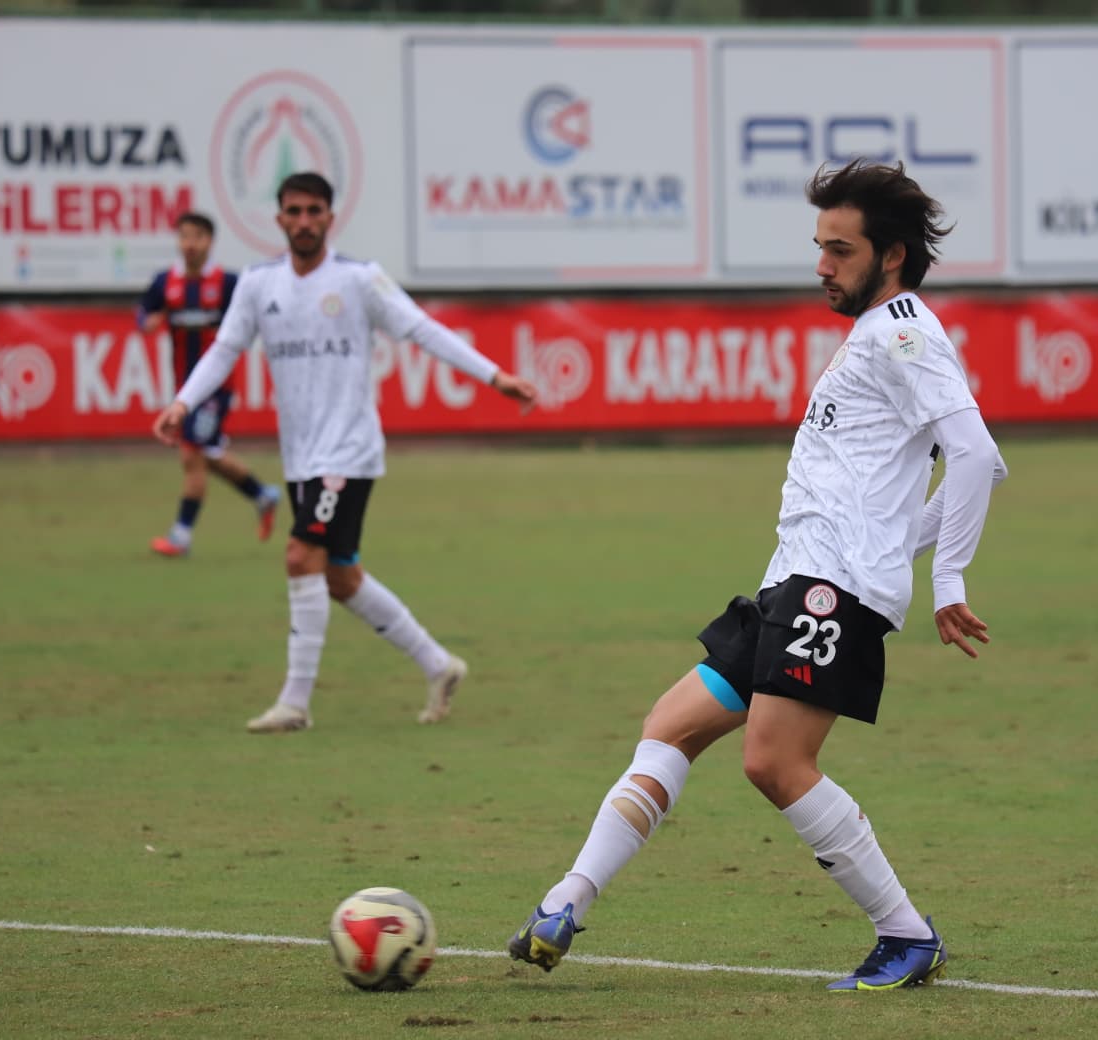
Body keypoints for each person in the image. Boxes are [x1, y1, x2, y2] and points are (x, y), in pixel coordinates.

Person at [507, 159, 1009, 991]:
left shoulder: (902, 332)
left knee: (774, 762)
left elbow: (978, 457)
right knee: (671, 725)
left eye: (840, 250)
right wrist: (901, 554)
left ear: (890, 256)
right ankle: (566, 901)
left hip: (829, 591)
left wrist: (947, 579)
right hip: (799, 581)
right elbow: (943, 480)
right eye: (820, 246)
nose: (821, 266)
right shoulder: (876, 334)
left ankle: (906, 934)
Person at [151, 172, 538, 733]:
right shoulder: (259, 284)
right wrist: (183, 402)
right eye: (294, 211)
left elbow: (423, 329)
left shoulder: (358, 279)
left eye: (314, 211)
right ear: (279, 219)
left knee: (298, 556)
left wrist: (495, 376)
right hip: (301, 456)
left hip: (348, 451)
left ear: (330, 218)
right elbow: (225, 349)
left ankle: (295, 703)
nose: (304, 221)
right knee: (339, 576)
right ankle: (439, 664)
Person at [140, 211, 281, 558]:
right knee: (206, 454)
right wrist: (148, 320)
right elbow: (144, 312)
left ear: (210, 241)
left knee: (192, 454)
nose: (190, 244)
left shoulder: (228, 283)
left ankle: (181, 536)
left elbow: (254, 316)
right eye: (184, 236)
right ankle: (262, 494)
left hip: (216, 390)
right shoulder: (165, 282)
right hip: (184, 389)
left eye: (197, 237)